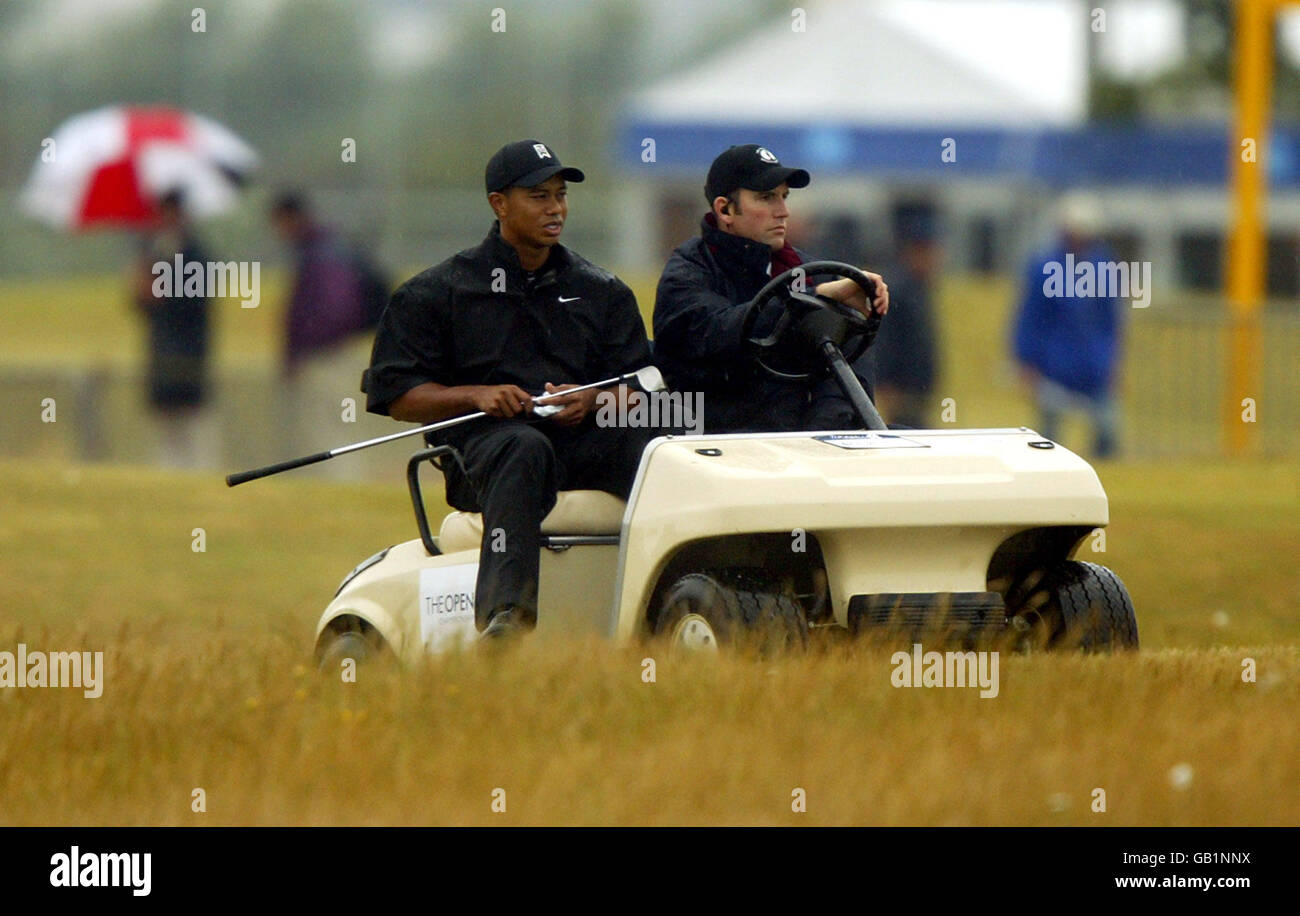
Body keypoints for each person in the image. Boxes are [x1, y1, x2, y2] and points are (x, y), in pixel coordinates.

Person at [362, 140, 654, 640]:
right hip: (483, 451)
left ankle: (692, 587)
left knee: (658, 439)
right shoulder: (436, 292)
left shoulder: (602, 289)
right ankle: (507, 619)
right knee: (524, 445)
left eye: (561, 195)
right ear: (499, 204)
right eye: (539, 196)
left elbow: (644, 384)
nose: (556, 208)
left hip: (580, 440)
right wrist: (476, 396)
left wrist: (593, 400)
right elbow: (397, 396)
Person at [652, 144, 889, 433]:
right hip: (713, 446)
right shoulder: (688, 271)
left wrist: (817, 439)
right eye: (766, 198)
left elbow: (847, 377)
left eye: (784, 197)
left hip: (804, 444)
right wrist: (814, 301)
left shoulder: (808, 269)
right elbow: (712, 333)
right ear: (725, 209)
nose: (783, 212)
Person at [271, 191, 388, 474]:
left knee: (330, 435)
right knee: (333, 432)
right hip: (336, 351)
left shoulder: (321, 253)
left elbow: (335, 309)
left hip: (328, 356)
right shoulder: (327, 248)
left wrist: (307, 345)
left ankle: (343, 489)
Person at [1012, 193, 1123, 458]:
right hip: (1054, 366)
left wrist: (1111, 363)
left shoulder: (1104, 267)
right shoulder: (1044, 267)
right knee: (1049, 439)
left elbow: (1110, 320)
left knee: (1107, 433)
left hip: (1094, 367)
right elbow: (1031, 316)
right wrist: (1026, 359)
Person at [132, 188, 215, 468]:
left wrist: (164, 289)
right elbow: (141, 303)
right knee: (166, 433)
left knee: (194, 429)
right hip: (162, 352)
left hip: (190, 352)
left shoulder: (196, 254)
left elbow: (196, 302)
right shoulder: (152, 250)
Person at [869, 201, 941, 429]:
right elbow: (885, 339)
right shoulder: (898, 288)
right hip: (901, 395)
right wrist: (885, 382)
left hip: (915, 393)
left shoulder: (919, 286)